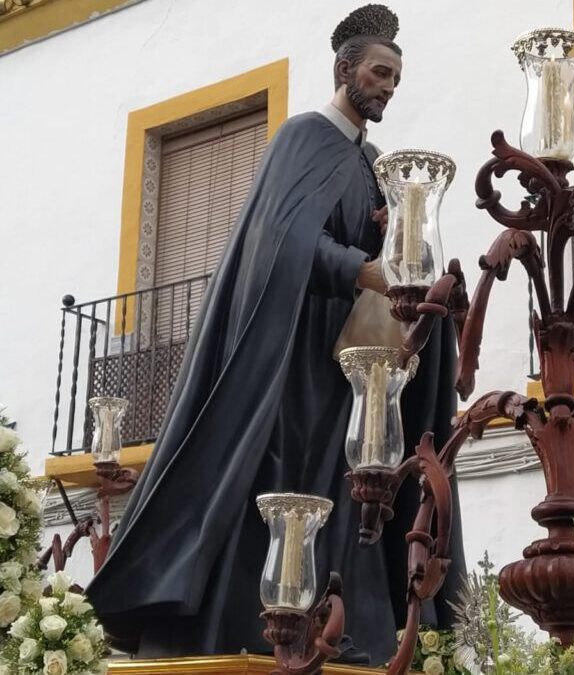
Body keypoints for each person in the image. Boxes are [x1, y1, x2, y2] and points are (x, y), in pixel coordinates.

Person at [87, 4, 465, 665]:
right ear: (345, 69)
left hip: (346, 372)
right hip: (288, 369)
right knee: (283, 493)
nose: (388, 88)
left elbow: (383, 255)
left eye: (396, 80)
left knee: (356, 498)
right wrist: (367, 268)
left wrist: (404, 252)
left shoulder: (372, 161)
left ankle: (353, 635)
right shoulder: (302, 139)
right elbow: (284, 243)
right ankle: (257, 631)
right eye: (380, 73)